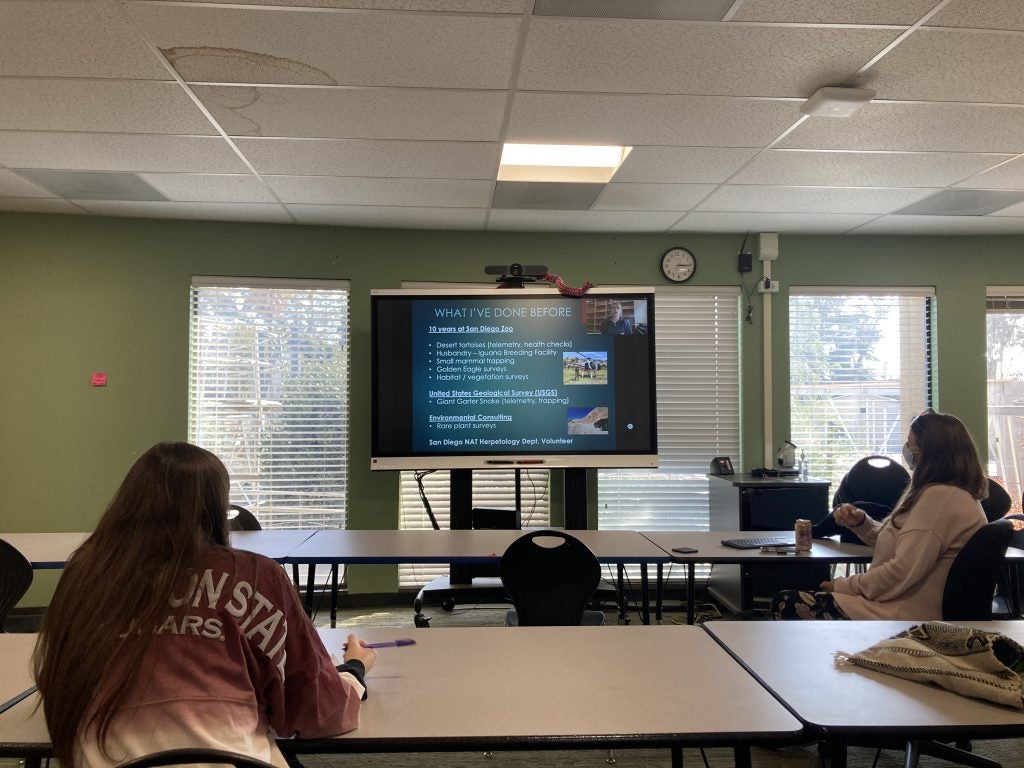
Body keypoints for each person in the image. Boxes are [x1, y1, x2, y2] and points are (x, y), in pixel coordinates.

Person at [32, 442, 377, 768]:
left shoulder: (86, 575)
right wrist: (354, 671)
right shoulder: (255, 576)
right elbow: (319, 712)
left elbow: (59, 687)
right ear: (216, 507)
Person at [772, 409, 987, 620]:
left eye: (910, 443)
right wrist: (862, 523)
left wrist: (844, 585)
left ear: (929, 452)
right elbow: (902, 544)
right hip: (898, 605)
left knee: (786, 602)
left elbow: (901, 572)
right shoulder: (954, 495)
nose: (907, 450)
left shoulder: (940, 499)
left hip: (902, 612)